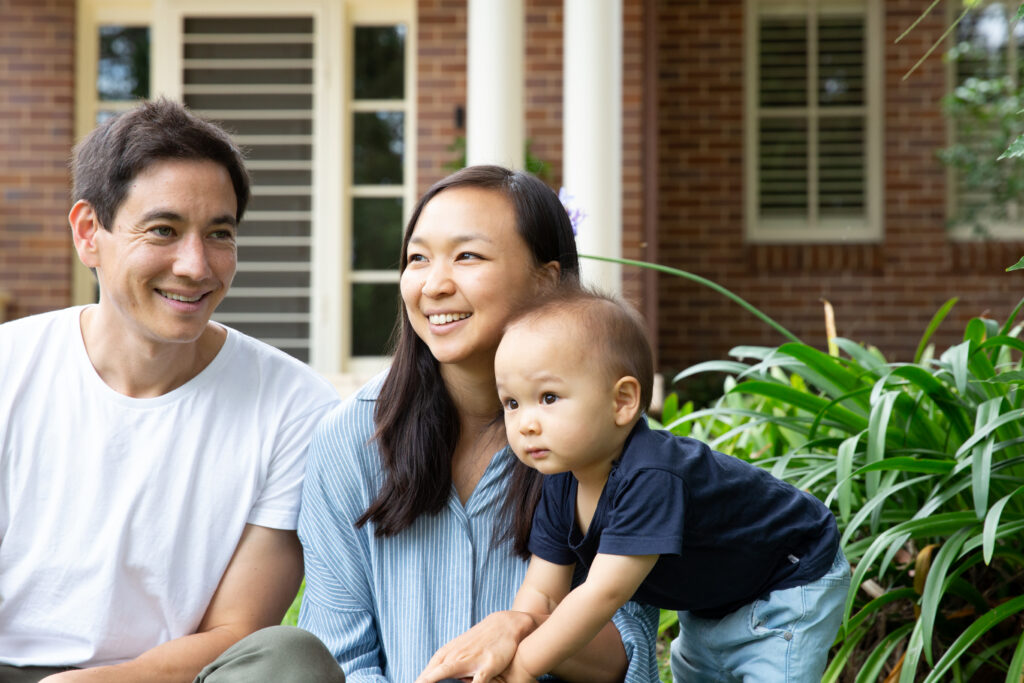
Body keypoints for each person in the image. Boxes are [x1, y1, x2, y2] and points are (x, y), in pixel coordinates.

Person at [251, 165, 657, 682]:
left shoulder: (612, 441)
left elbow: (631, 653)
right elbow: (341, 658)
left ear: (546, 281)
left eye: (468, 256)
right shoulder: (352, 439)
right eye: (418, 258)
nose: (434, 285)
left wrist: (520, 627)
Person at [0, 99, 339, 682]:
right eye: (163, 230)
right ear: (89, 233)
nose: (196, 265)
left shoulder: (295, 406)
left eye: (219, 234)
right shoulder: (10, 368)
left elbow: (238, 630)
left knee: (291, 660)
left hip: (171, 677)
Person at [471, 285, 850, 682]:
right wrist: (514, 646)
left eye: (548, 397)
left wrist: (526, 667)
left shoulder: (649, 476)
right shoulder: (560, 482)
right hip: (714, 602)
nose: (525, 423)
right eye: (512, 403)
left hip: (787, 582)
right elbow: (542, 596)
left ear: (622, 402)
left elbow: (603, 594)